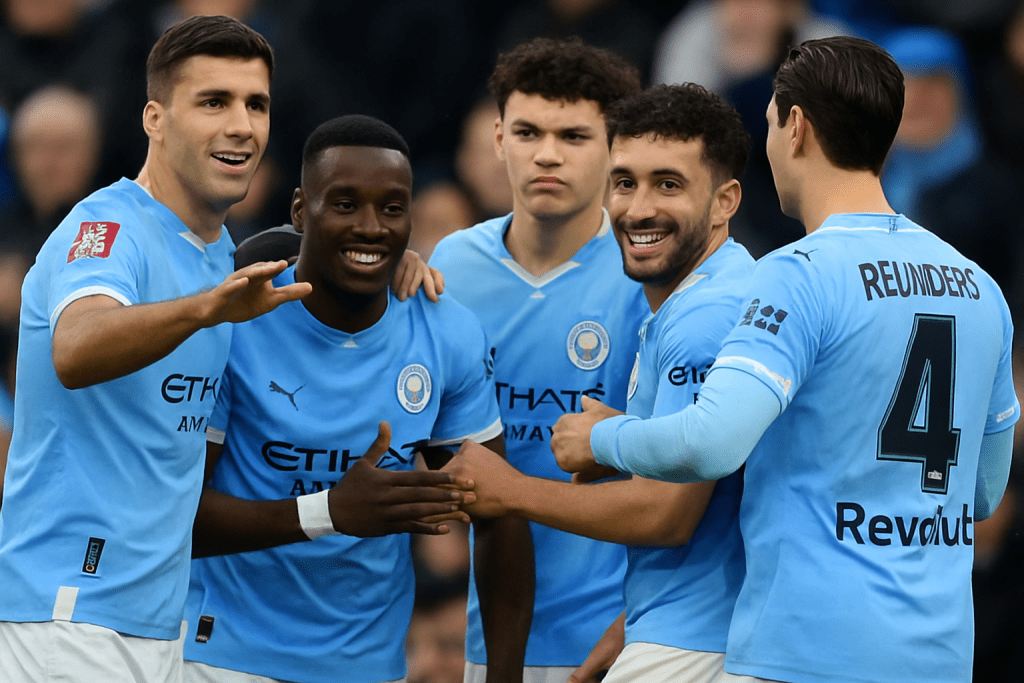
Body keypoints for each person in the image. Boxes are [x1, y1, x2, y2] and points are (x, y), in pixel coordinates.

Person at [552, 36, 1018, 683]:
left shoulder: (797, 273)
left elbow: (711, 442)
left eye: (770, 122)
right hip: (938, 656)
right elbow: (984, 490)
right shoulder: (979, 287)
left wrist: (601, 439)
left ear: (795, 126)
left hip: (808, 650)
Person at [0, 15, 306, 683]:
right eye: (214, 102)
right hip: (70, 615)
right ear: (154, 119)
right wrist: (205, 308)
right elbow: (76, 348)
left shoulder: (222, 256)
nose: (242, 125)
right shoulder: (107, 226)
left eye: (256, 104)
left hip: (159, 623)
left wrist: (403, 267)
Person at [181, 115, 531, 683]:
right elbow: (176, 517)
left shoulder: (446, 333)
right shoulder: (235, 322)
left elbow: (500, 516)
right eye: (345, 205)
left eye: (392, 209)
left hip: (371, 666)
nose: (371, 227)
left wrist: (504, 678)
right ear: (301, 211)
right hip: (220, 657)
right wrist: (329, 512)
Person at [442, 83, 754, 683]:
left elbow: (667, 515)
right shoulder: (702, 295)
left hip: (698, 643)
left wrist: (512, 489)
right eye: (625, 182)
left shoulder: (704, 318)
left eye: (668, 184)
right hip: (669, 623)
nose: (638, 209)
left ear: (725, 202)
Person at [429, 37, 646, 683]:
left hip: (620, 636)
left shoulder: (649, 272)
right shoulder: (451, 264)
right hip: (490, 635)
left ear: (615, 147)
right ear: (499, 139)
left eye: (574, 136)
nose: (547, 153)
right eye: (528, 132)